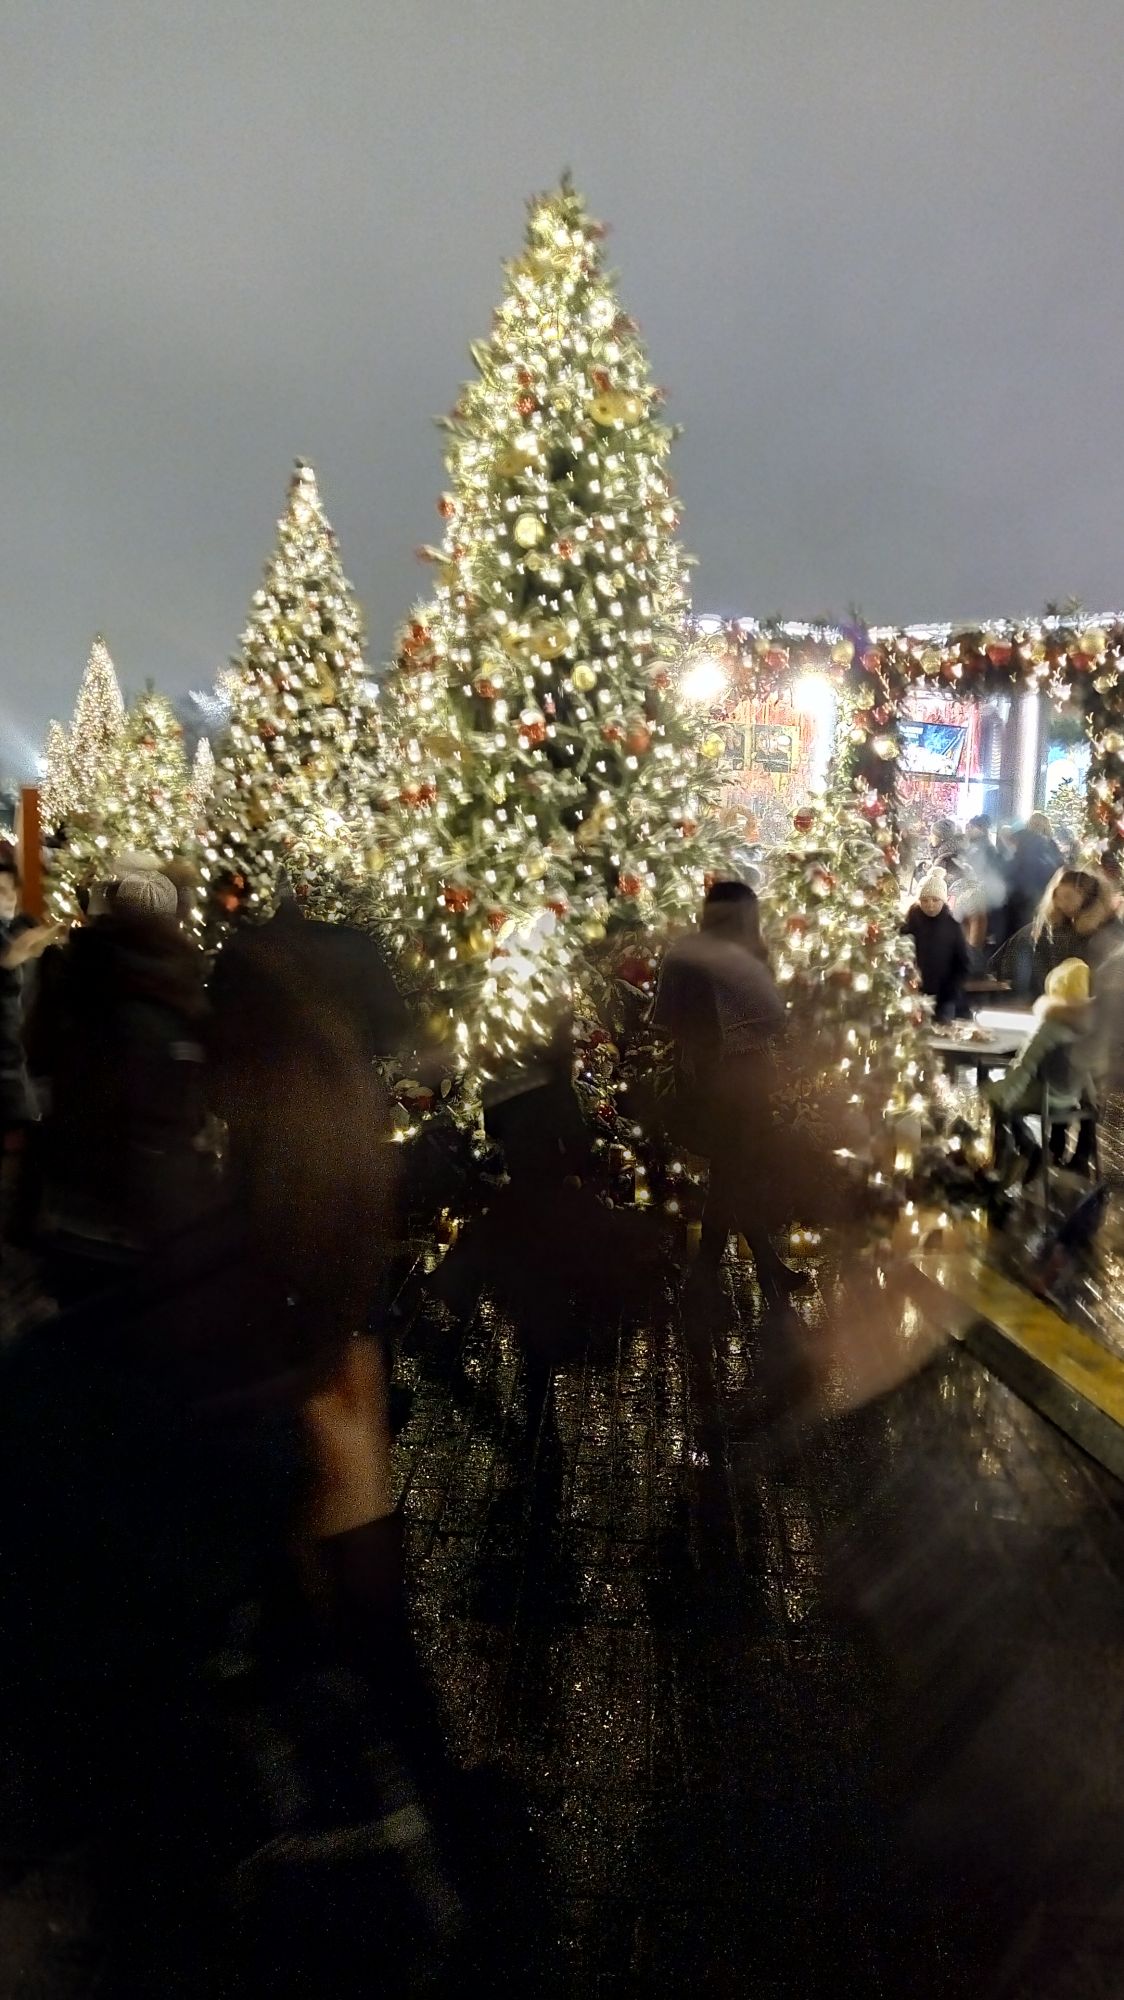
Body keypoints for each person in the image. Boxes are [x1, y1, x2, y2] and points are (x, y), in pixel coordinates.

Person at [31, 868, 212, 1301]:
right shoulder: (175, 986)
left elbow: (39, 1055)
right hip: (147, 1214)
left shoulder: (77, 970)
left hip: (74, 1203)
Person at [653, 880, 808, 1305]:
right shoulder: (740, 958)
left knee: (730, 1175)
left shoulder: (688, 955)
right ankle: (755, 1268)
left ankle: (726, 1271)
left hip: (717, 1078)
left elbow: (669, 1018)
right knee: (733, 1174)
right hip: (733, 1080)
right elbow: (773, 1017)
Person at [986, 958, 1094, 1185]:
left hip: (1045, 1098)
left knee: (994, 1099)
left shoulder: (1049, 1027)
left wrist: (1001, 1097)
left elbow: (1024, 1068)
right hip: (1071, 1098)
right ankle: (1046, 1153)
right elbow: (1086, 1071)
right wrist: (1091, 1102)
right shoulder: (1087, 1030)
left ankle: (1026, 1147)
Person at [901, 871, 971, 1022]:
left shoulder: (952, 927)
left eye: (935, 900)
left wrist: (952, 989)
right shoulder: (909, 925)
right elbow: (901, 953)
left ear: (943, 901)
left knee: (941, 1028)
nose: (930, 905)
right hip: (914, 993)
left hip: (944, 996)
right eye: (925, 900)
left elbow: (962, 962)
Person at [952, 815, 1008, 953]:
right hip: (970, 899)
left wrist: (970, 874)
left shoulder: (988, 850)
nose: (968, 829)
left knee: (975, 946)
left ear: (981, 829)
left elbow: (991, 878)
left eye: (971, 827)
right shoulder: (974, 846)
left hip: (980, 904)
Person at [1005, 812, 1064, 935]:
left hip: (1022, 904)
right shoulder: (1053, 848)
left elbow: (1013, 874)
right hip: (1045, 903)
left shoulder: (1024, 845)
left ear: (1029, 826)